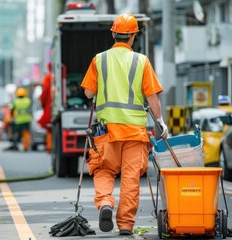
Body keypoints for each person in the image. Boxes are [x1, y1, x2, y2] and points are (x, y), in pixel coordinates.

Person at [80, 14, 168, 236]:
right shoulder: (142, 61)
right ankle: (126, 225)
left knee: (103, 170)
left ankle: (105, 204)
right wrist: (161, 122)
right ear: (133, 36)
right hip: (135, 132)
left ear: (113, 34)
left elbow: (89, 92)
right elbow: (152, 97)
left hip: (107, 131)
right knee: (130, 179)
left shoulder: (99, 59)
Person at [38, 62, 53, 152]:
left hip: (49, 106)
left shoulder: (47, 77)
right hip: (51, 105)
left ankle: (50, 146)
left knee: (49, 129)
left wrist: (42, 103)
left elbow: (44, 93)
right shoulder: (53, 77)